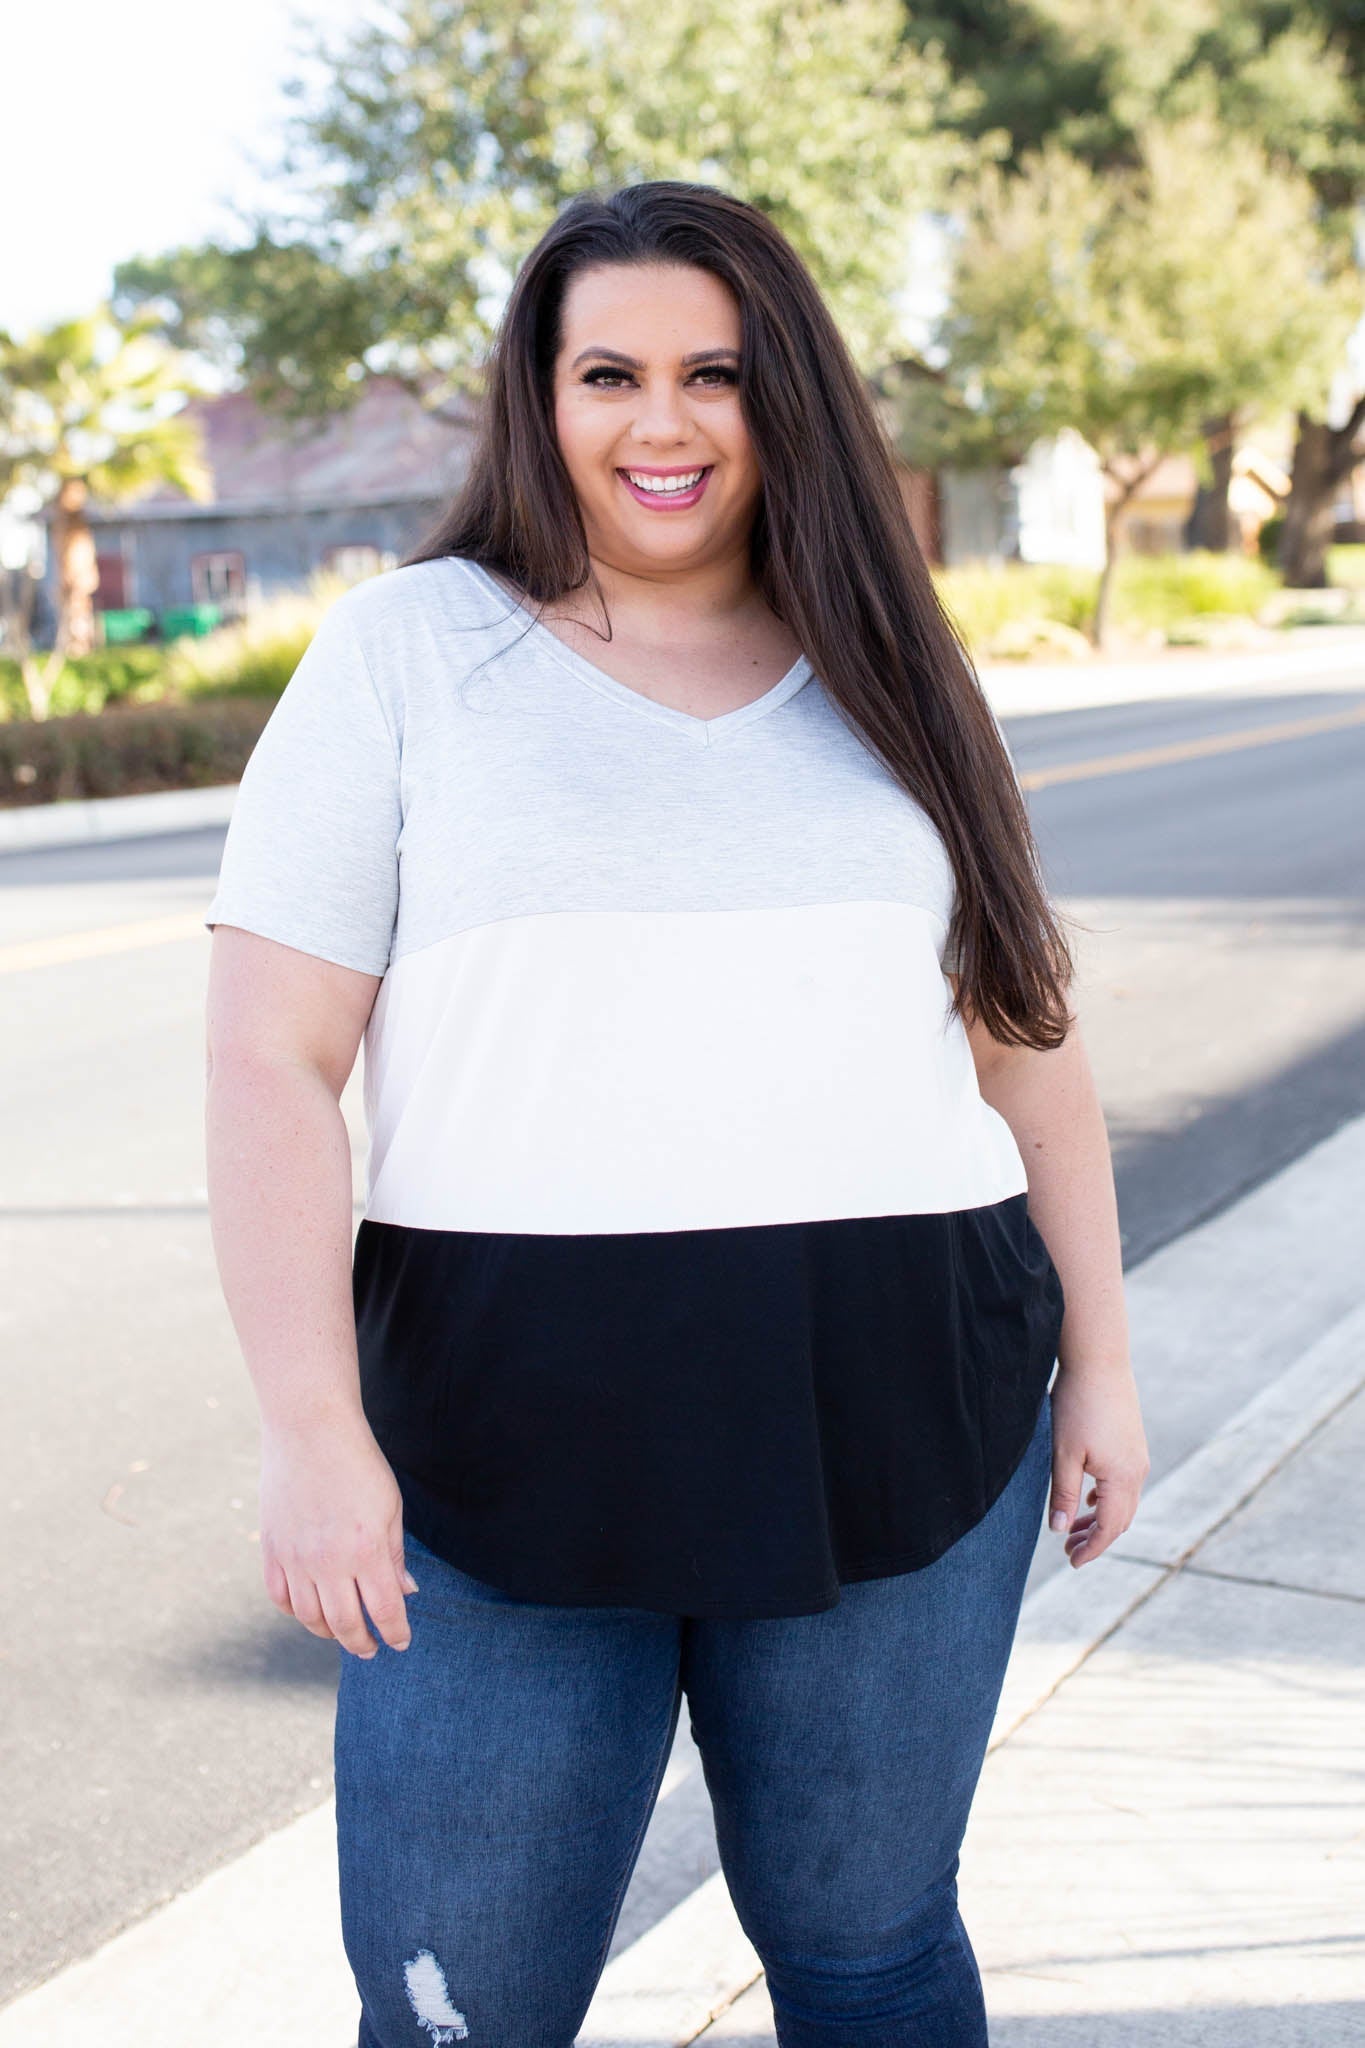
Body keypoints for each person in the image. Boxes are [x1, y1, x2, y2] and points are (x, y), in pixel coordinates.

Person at [204, 180, 1149, 2048]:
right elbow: (268, 1064)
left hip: (909, 1416)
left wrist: (1101, 1366)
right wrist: (314, 1432)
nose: (662, 422)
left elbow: (1024, 1046)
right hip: (497, 1438)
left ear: (780, 393)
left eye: (713, 373)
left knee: (871, 1953)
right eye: (608, 371)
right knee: (457, 2001)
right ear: (534, 398)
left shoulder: (895, 675)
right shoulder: (405, 659)